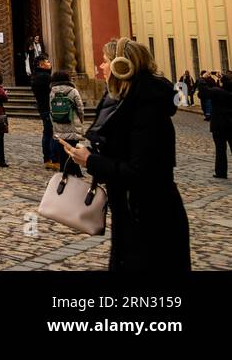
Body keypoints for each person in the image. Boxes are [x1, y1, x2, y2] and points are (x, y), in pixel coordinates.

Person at [60, 39, 190, 272]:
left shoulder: (146, 110)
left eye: (105, 61)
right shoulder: (132, 105)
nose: (101, 66)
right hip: (134, 212)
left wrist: (90, 160)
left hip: (149, 218)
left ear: (122, 66)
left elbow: (141, 171)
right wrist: (91, 155)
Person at [47, 69, 85, 169]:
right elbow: (80, 108)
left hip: (58, 124)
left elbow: (51, 109)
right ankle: (75, 171)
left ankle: (64, 170)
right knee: (73, 149)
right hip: (72, 123)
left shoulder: (52, 92)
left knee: (62, 151)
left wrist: (54, 122)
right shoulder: (73, 91)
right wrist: (80, 120)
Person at [199, 71, 230, 178]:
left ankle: (221, 172)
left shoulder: (218, 92)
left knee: (220, 150)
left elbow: (203, 92)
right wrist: (224, 78)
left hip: (220, 125)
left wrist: (202, 78)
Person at [29, 56, 55, 169]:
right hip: (48, 107)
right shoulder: (45, 77)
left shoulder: (37, 76)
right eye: (47, 62)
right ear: (41, 65)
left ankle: (48, 158)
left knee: (47, 132)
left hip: (43, 107)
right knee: (50, 133)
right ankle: (51, 158)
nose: (50, 63)